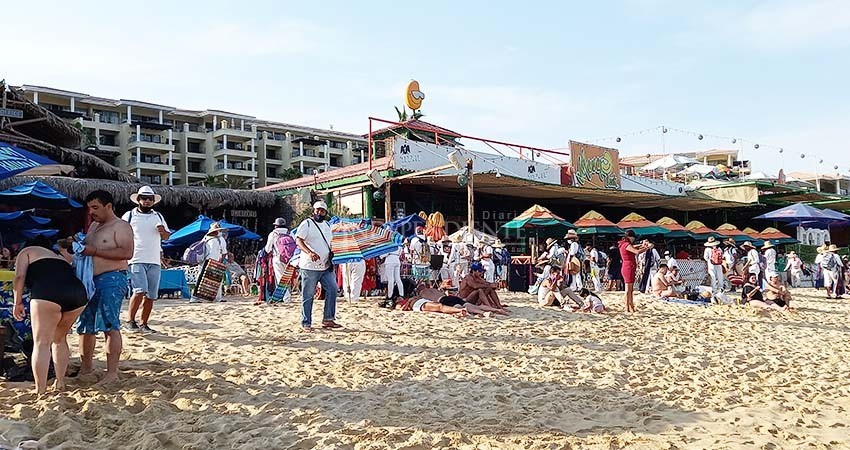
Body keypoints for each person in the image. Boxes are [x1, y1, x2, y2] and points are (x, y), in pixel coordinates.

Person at [12, 238, 88, 395]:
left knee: (41, 343)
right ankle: (60, 382)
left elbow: (19, 277)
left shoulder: (27, 252)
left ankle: (40, 390)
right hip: (78, 294)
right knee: (59, 339)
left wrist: (17, 302)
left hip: (47, 293)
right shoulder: (60, 257)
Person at [77, 190, 134, 385]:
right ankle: (86, 368)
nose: (91, 212)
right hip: (89, 280)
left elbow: (127, 252)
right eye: (89, 208)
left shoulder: (121, 226)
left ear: (108, 206)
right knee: (85, 325)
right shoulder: (93, 226)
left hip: (112, 277)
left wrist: (93, 250)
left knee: (109, 324)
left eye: (95, 207)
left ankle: (112, 373)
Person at [121, 186, 170, 334]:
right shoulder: (129, 215)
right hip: (136, 258)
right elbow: (121, 234)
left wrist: (163, 232)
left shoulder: (158, 216)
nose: (147, 201)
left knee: (151, 295)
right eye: (144, 198)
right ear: (138, 200)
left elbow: (167, 237)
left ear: (154, 201)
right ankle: (130, 321)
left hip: (154, 259)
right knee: (139, 290)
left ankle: (144, 324)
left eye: (150, 199)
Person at [294, 201, 341, 332]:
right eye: (317, 210)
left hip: (325, 265)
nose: (319, 212)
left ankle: (328, 319)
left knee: (333, 289)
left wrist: (332, 254)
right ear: (313, 211)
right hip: (309, 266)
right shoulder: (307, 224)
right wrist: (309, 252)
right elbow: (298, 240)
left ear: (326, 213)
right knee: (308, 294)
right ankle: (306, 322)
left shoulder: (327, 225)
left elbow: (329, 242)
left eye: (322, 211)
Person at [189, 222, 230, 303]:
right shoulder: (221, 240)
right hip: (214, 261)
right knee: (217, 280)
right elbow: (224, 253)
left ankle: (194, 298)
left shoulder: (206, 238)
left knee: (201, 280)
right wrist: (221, 262)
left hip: (205, 261)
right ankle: (218, 298)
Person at [619, 230, 652, 313]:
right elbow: (636, 251)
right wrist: (647, 247)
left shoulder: (624, 244)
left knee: (630, 289)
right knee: (628, 289)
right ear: (630, 237)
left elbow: (634, 247)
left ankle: (630, 305)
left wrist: (642, 245)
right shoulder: (626, 244)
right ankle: (627, 306)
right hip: (628, 267)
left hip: (629, 266)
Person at [417, 286, 508, 315]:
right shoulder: (434, 289)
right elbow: (445, 293)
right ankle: (496, 310)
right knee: (468, 305)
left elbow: (431, 303)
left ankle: (484, 313)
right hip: (450, 297)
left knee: (460, 307)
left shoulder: (422, 294)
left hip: (443, 300)